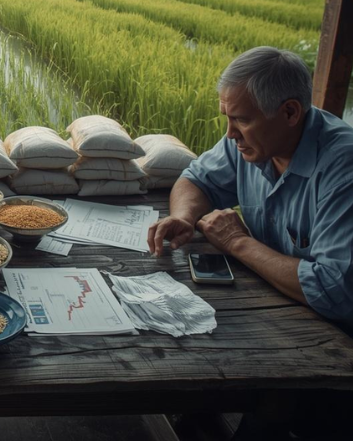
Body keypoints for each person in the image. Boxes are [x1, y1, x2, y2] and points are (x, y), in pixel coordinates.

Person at [148, 46, 353, 325]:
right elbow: (196, 179)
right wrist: (183, 216)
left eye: (242, 120)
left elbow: (334, 289)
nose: (230, 134)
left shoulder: (343, 172)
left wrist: (237, 242)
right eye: (228, 118)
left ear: (290, 112)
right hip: (273, 306)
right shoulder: (250, 144)